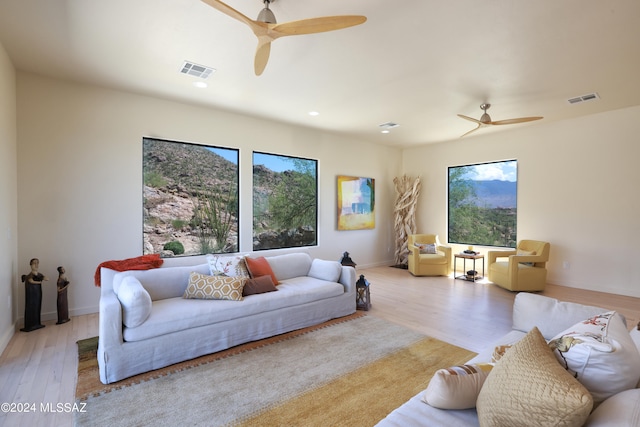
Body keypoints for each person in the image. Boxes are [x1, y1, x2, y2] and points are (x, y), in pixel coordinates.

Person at [20, 258, 48, 332]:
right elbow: (31, 281)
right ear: (31, 265)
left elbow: (46, 278)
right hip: (31, 294)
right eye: (34, 263)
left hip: (38, 294)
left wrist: (44, 278)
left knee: (37, 307)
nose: (36, 265)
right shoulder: (30, 275)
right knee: (31, 308)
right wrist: (39, 282)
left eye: (37, 263)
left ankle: (37, 323)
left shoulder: (39, 274)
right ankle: (30, 325)